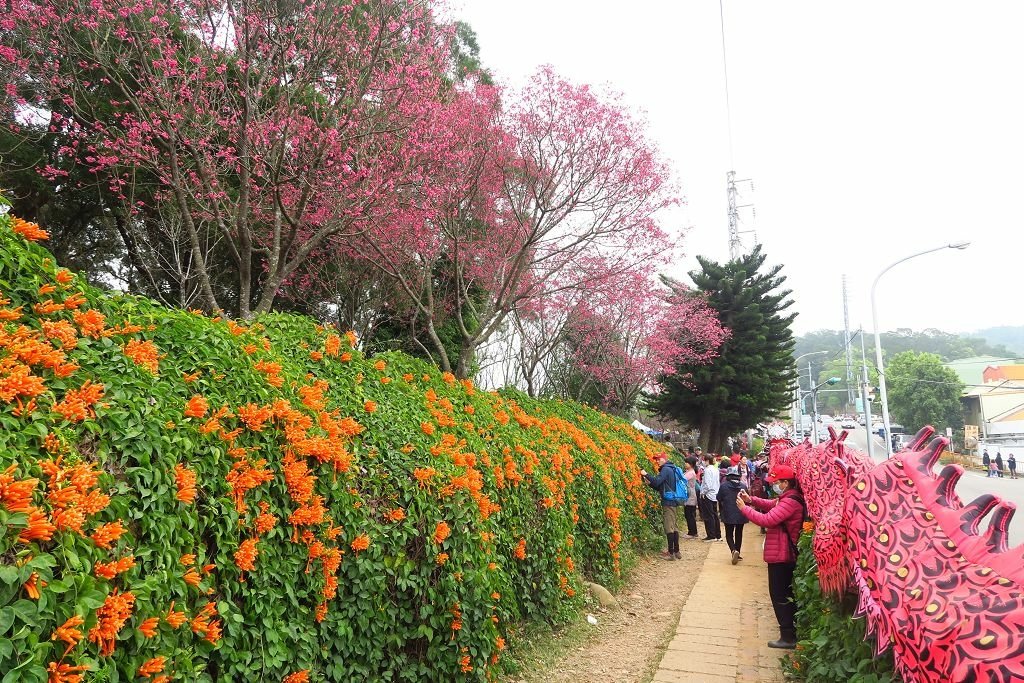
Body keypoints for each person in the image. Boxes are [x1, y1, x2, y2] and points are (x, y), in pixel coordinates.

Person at [736, 463, 805, 649]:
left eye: (776, 482)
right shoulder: (789, 497)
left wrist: (744, 509)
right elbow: (771, 505)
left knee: (779, 595)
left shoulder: (790, 501)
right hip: (780, 552)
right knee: (783, 594)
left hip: (782, 555)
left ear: (785, 483)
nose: (774, 485)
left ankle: (788, 637)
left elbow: (767, 519)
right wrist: (751, 500)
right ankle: (788, 633)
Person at [641, 453, 684, 560]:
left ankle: (671, 553)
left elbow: (657, 481)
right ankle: (676, 551)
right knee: (674, 526)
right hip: (672, 500)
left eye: (659, 459)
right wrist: (649, 483)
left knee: (669, 526)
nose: (657, 462)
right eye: (656, 460)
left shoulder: (666, 469)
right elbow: (660, 486)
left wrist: (646, 474)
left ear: (664, 459)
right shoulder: (671, 468)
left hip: (668, 502)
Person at [719, 466, 748, 564]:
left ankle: (733, 550)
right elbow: (747, 499)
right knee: (739, 533)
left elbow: (719, 498)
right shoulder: (743, 486)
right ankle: (738, 552)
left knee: (729, 534)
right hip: (741, 512)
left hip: (728, 512)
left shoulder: (724, 486)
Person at [699, 454, 722, 541]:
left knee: (709, 515)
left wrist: (703, 493)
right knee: (715, 515)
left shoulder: (707, 470)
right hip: (715, 494)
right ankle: (718, 535)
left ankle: (711, 535)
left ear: (707, 461)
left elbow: (707, 484)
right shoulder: (716, 469)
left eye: (704, 460)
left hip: (708, 495)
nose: (703, 462)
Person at [682, 458, 700, 538]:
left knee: (690, 515)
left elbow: (682, 479)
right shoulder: (689, 472)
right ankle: (692, 531)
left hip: (690, 496)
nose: (685, 464)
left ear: (691, 464)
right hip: (689, 496)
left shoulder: (691, 473)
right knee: (688, 514)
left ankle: (692, 532)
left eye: (687, 463)